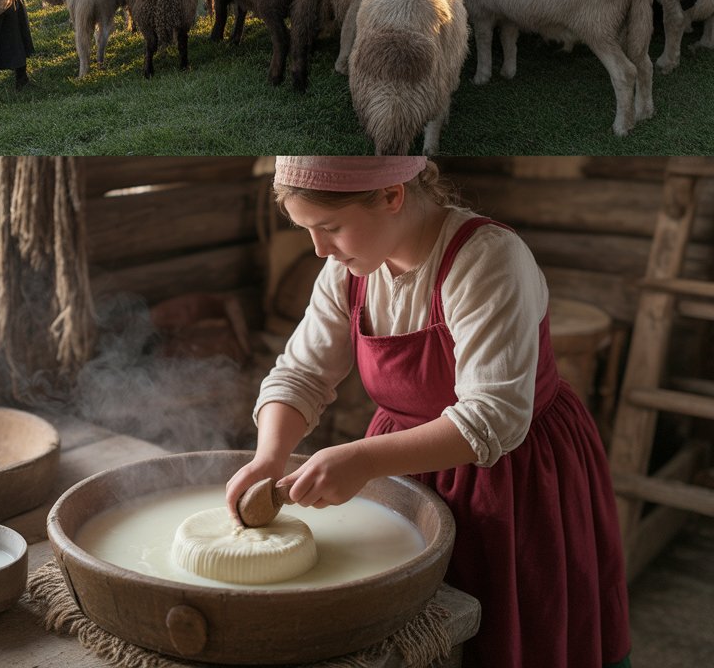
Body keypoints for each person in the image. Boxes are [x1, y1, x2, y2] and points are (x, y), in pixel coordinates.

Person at [227, 156, 631, 668]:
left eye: (330, 227)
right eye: (307, 230)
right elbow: (301, 375)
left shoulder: (487, 259)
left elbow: (493, 416)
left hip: (511, 475)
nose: (319, 249)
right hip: (405, 471)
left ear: (393, 195)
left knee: (509, 625)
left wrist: (363, 460)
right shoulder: (347, 273)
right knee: (412, 629)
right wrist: (270, 457)